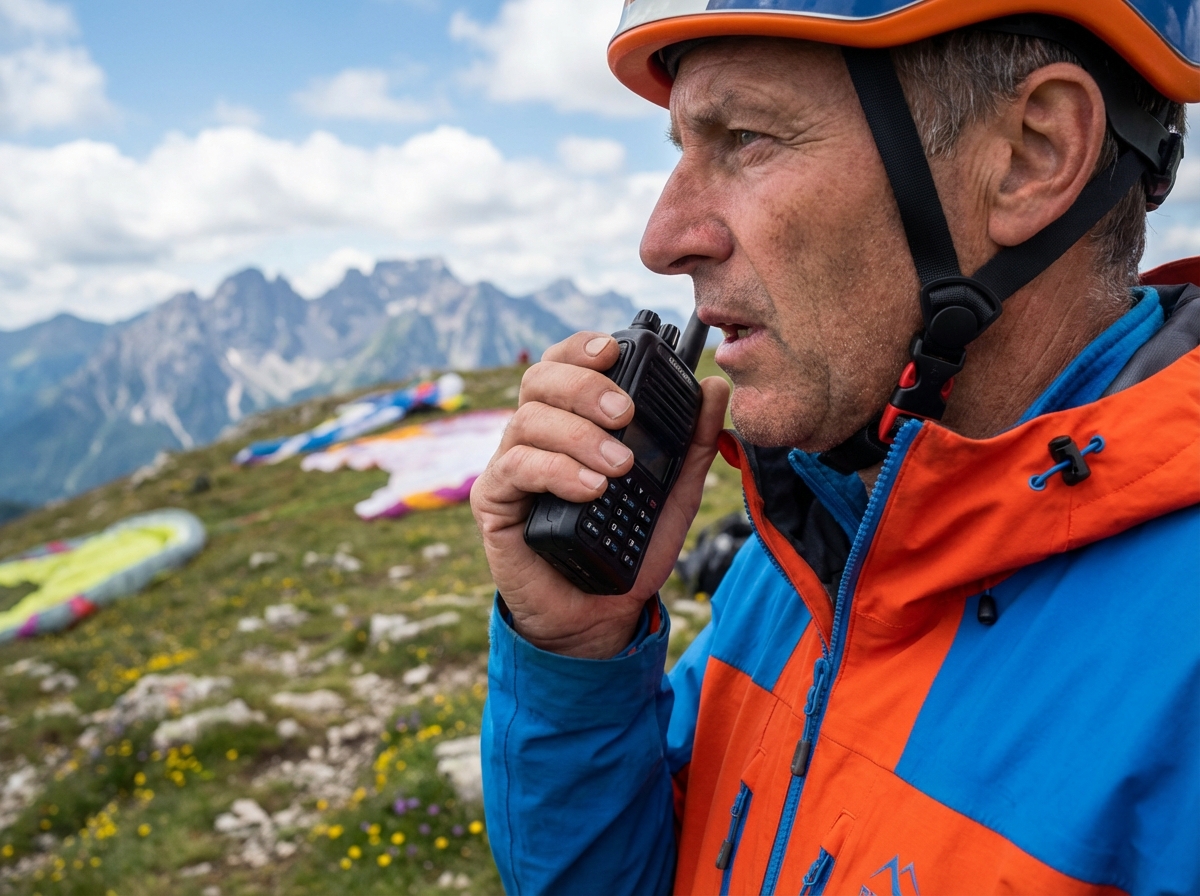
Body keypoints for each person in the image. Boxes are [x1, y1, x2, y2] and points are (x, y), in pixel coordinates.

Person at [469, 1, 1200, 892]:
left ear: (1030, 156)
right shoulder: (817, 525)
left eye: (745, 138)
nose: (662, 240)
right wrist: (578, 658)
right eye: (680, 151)